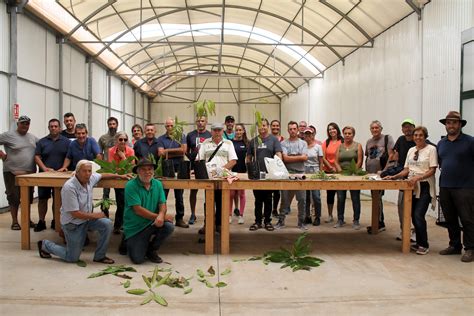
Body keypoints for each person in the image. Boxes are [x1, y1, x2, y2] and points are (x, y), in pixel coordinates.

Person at [37, 160, 132, 263]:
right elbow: (75, 213)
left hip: (86, 220)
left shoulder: (90, 179)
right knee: (72, 258)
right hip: (73, 224)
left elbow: (102, 175)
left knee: (107, 224)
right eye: (84, 171)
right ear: (77, 172)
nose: (87, 174)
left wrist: (120, 176)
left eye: (89, 171)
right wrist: (96, 216)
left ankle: (100, 256)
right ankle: (45, 245)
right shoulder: (69, 187)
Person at [384, 126, 437, 255]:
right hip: (410, 186)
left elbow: (432, 170)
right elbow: (406, 169)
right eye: (416, 135)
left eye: (420, 135)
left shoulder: (431, 149)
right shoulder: (411, 150)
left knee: (418, 215)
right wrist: (394, 176)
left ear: (425, 136)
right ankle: (419, 243)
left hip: (424, 186)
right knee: (412, 215)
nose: (418, 137)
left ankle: (424, 244)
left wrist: (419, 177)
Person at [437, 111, 474, 262]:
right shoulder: (441, 143)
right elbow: (441, 163)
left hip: (465, 187)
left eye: (454, 122)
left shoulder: (470, 142)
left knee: (468, 219)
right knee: (450, 218)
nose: (450, 125)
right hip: (445, 186)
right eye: (448, 123)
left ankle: (470, 248)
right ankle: (455, 245)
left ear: (460, 124)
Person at [123, 159, 174, 264]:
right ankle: (127, 241)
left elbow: (162, 204)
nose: (147, 172)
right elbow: (138, 210)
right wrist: (160, 217)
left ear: (153, 171)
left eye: (150, 169)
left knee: (168, 226)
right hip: (135, 227)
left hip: (151, 223)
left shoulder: (158, 184)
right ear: (137, 171)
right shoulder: (130, 185)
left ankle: (151, 250)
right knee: (138, 260)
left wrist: (161, 215)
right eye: (143, 169)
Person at [197, 123, 237, 234]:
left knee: (221, 201)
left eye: (219, 130)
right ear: (211, 131)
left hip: (223, 178)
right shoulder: (205, 143)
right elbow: (199, 159)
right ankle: (208, 224)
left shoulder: (228, 143)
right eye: (215, 130)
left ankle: (220, 225)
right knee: (208, 202)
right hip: (209, 179)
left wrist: (220, 170)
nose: (217, 132)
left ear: (222, 131)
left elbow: (233, 161)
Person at [0, 115, 38, 230]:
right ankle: (15, 221)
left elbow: (42, 147)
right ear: (18, 124)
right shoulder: (8, 135)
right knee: (13, 197)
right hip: (12, 172)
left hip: (29, 173)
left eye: (27, 124)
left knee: (28, 198)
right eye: (22, 123)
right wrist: (2, 155)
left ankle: (27, 220)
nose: (25, 126)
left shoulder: (33, 138)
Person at [34, 118, 71, 231]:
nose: (53, 128)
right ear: (49, 128)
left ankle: (56, 221)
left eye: (56, 126)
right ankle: (41, 221)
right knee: (42, 199)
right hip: (45, 176)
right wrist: (44, 168)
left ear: (59, 128)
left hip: (60, 176)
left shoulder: (67, 142)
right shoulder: (42, 141)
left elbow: (69, 156)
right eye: (51, 126)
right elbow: (37, 156)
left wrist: (64, 167)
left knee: (58, 200)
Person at [247, 118, 282, 231]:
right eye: (260, 125)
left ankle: (267, 221)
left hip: (269, 175)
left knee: (268, 199)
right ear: (257, 127)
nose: (262, 127)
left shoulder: (273, 140)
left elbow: (278, 155)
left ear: (268, 126)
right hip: (256, 175)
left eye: (264, 125)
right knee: (258, 199)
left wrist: (277, 170)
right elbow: (248, 157)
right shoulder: (253, 141)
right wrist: (249, 170)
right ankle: (257, 222)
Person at [276, 121, 308, 230]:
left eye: (294, 128)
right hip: (287, 173)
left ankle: (301, 222)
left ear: (298, 129)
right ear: (288, 130)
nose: (293, 131)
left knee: (302, 199)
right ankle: (281, 221)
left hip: (300, 174)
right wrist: (298, 156)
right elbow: (285, 158)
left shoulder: (303, 143)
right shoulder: (284, 143)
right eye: (290, 129)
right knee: (285, 199)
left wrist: (291, 157)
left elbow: (304, 158)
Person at [157, 117, 188, 228]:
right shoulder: (161, 138)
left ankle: (179, 218)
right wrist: (176, 151)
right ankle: (162, 216)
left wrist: (166, 151)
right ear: (165, 127)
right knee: (163, 195)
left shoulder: (181, 136)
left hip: (180, 168)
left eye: (171, 126)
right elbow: (160, 153)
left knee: (179, 195)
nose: (170, 128)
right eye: (167, 126)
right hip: (166, 168)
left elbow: (183, 150)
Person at [365, 120, 394, 233]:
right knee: (375, 198)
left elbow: (391, 155)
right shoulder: (369, 141)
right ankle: (377, 221)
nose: (374, 130)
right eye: (372, 128)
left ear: (381, 129)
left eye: (377, 128)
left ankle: (379, 223)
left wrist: (384, 171)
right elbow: (367, 157)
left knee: (378, 198)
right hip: (371, 175)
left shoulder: (387, 138)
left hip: (381, 175)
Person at [391, 118, 417, 241]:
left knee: (416, 209)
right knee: (401, 205)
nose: (407, 129)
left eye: (410, 126)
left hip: (417, 179)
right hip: (403, 176)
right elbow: (394, 156)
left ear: (414, 127)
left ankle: (416, 232)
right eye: (405, 127)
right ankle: (404, 230)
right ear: (402, 129)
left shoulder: (419, 141)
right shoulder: (401, 140)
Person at [334, 126, 364, 230]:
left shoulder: (358, 146)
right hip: (341, 176)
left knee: (355, 198)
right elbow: (336, 161)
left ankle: (356, 220)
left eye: (349, 133)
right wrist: (340, 171)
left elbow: (359, 161)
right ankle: (340, 219)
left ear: (353, 134)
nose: (347, 135)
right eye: (345, 133)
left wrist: (353, 172)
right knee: (340, 198)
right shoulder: (340, 146)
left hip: (354, 176)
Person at [185, 115, 211, 225]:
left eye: (202, 121)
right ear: (196, 122)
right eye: (198, 121)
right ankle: (192, 213)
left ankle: (208, 215)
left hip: (206, 166)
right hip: (194, 167)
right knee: (193, 190)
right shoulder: (191, 135)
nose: (200, 123)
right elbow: (186, 150)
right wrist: (191, 158)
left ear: (206, 122)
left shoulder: (210, 135)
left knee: (208, 191)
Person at [108, 131, 135, 234]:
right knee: (120, 203)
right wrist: (122, 168)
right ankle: (118, 225)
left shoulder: (131, 151)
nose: (123, 141)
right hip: (117, 179)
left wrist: (123, 157)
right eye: (120, 139)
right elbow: (112, 168)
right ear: (116, 141)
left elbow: (131, 168)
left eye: (125, 140)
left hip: (129, 179)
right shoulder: (111, 151)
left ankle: (126, 224)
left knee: (128, 203)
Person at [321, 122, 343, 223]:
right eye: (330, 129)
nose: (332, 131)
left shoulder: (342, 141)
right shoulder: (326, 142)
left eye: (333, 129)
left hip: (340, 172)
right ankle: (330, 215)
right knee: (330, 194)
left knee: (340, 195)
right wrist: (330, 167)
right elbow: (323, 157)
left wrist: (338, 168)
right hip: (329, 171)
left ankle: (340, 217)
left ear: (337, 130)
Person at [98, 117, 119, 217]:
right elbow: (99, 153)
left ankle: (120, 216)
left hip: (119, 169)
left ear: (117, 125)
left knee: (119, 193)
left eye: (114, 124)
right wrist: (101, 164)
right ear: (108, 125)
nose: (112, 126)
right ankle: (104, 211)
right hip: (107, 168)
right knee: (105, 192)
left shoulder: (121, 137)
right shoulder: (103, 138)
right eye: (110, 124)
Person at [303, 127, 323, 226]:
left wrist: (321, 173)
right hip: (305, 171)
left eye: (309, 134)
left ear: (313, 135)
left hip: (315, 171)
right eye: (306, 134)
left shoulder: (318, 147)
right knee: (306, 196)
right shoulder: (302, 146)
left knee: (316, 196)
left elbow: (321, 161)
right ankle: (307, 216)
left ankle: (317, 216)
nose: (308, 136)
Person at [229, 123, 248, 225]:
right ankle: (229, 215)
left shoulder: (247, 143)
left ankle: (241, 215)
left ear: (243, 131)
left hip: (242, 171)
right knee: (231, 194)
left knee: (242, 194)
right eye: (237, 130)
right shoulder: (230, 143)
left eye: (240, 130)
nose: (238, 132)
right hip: (232, 171)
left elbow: (249, 157)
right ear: (234, 131)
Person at [270, 119, 283, 218]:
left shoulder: (283, 139)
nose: (275, 127)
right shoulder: (267, 138)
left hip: (279, 168)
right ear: (270, 127)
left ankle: (274, 209)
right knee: (268, 191)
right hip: (268, 167)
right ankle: (267, 209)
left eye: (277, 125)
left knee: (277, 191)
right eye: (273, 126)